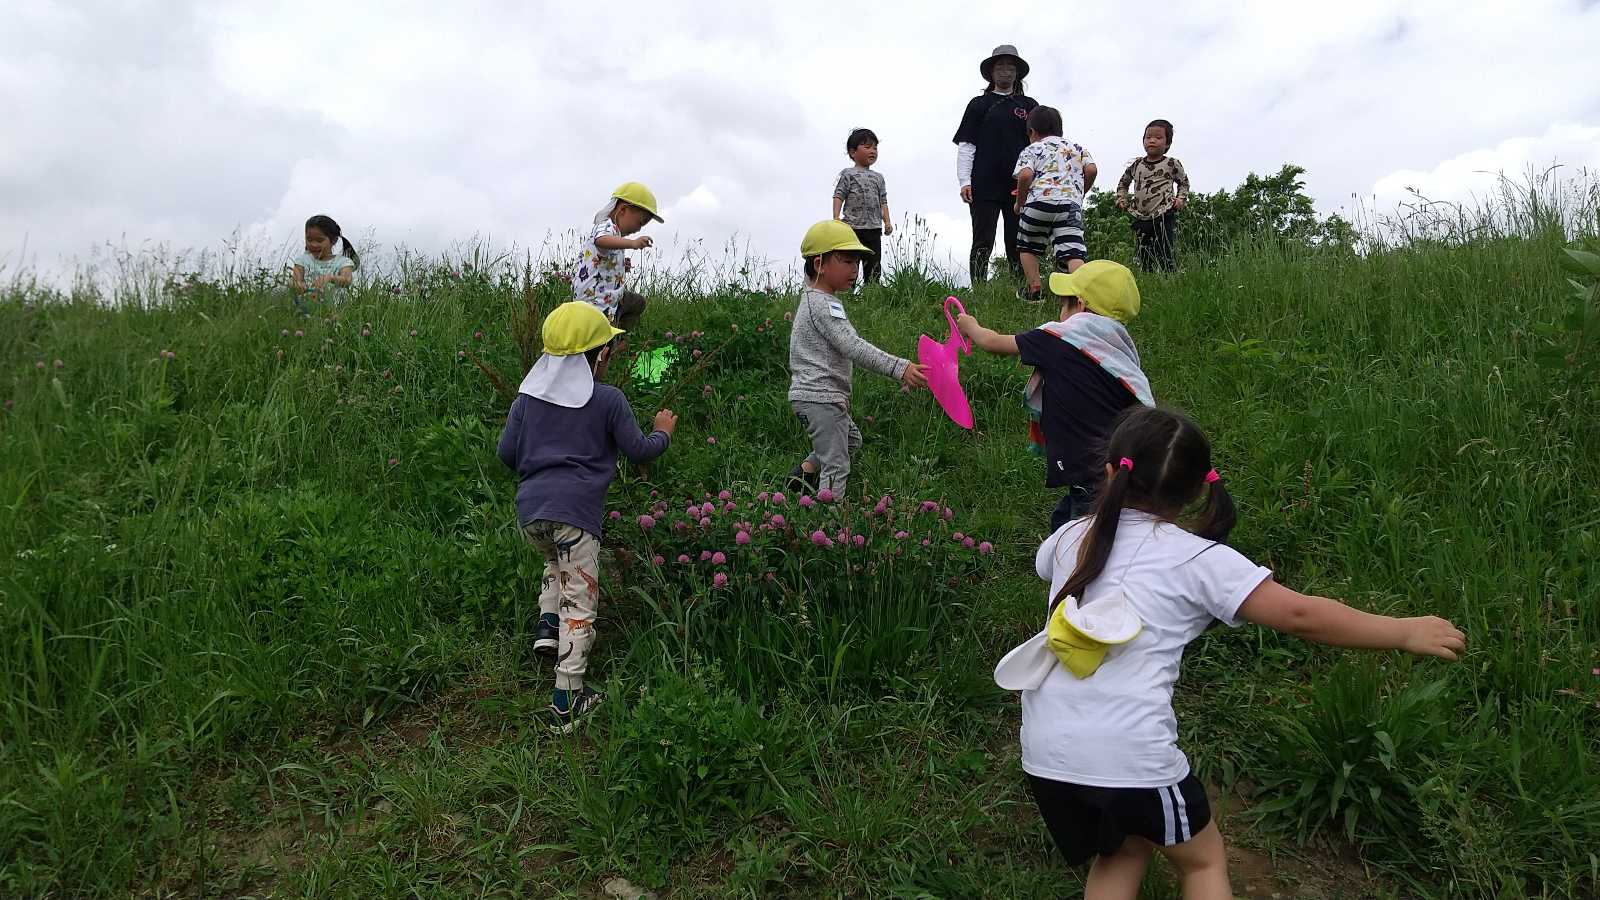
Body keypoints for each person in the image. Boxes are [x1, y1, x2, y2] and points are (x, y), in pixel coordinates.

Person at [1012, 405, 1466, 899]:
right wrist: (1401, 631)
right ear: (1195, 492)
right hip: (1129, 754)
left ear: (1108, 473)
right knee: (1203, 862)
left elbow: (1044, 563)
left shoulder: (1073, 537)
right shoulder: (1198, 558)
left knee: (1124, 848)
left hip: (1044, 751)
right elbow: (1300, 615)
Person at [497, 301, 677, 732]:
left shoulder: (527, 401)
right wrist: (663, 432)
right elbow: (639, 450)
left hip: (531, 514)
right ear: (601, 356)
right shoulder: (607, 400)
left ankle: (547, 627)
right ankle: (567, 699)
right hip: (576, 514)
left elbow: (506, 453)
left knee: (553, 562)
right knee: (580, 600)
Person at [956, 261, 1152, 532]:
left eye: (1063, 304)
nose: (1061, 312)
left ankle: (1081, 570)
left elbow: (993, 344)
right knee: (1073, 519)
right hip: (1123, 463)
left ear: (1080, 306)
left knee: (1083, 538)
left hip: (1087, 465)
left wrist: (971, 326)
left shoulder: (1061, 337)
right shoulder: (1119, 352)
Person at [787, 221, 928, 495]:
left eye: (858, 261)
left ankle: (802, 475)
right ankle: (826, 528)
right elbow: (853, 346)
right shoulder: (823, 304)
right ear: (819, 264)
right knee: (837, 465)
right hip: (821, 399)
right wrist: (900, 367)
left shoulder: (814, 300)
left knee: (851, 441)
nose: (855, 269)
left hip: (811, 396)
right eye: (848, 261)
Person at [953, 44, 1038, 285]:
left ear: (1017, 72)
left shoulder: (1029, 105)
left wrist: (1038, 179)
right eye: (1000, 66)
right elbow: (966, 145)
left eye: (1010, 66)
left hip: (1019, 185)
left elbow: (1039, 146)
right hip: (984, 183)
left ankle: (1022, 288)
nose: (1005, 71)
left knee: (1018, 239)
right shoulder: (978, 104)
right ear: (991, 72)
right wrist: (965, 181)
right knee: (982, 239)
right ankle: (979, 289)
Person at [573, 182, 662, 371]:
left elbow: (606, 254)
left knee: (637, 302)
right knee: (596, 353)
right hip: (595, 304)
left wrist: (621, 264)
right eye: (640, 222)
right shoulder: (607, 227)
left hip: (608, 299)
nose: (639, 229)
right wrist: (632, 243)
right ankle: (595, 374)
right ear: (622, 210)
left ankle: (618, 341)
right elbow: (601, 241)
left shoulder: (616, 235)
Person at [1013, 106, 1098, 301]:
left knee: (1027, 246)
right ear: (1060, 130)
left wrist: (1020, 203)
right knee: (1073, 249)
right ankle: (1080, 295)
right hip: (1070, 205)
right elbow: (1092, 170)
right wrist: (1080, 193)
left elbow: (1025, 175)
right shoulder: (1077, 148)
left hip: (1037, 204)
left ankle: (1034, 290)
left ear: (1032, 132)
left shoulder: (1032, 149)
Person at [1115, 119, 1190, 272]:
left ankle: (1169, 281)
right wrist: (1121, 199)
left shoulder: (1172, 164)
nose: (1152, 140)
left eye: (1158, 137)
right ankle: (1148, 279)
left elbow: (1184, 183)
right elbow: (1123, 183)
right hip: (1140, 215)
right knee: (1144, 255)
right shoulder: (1136, 165)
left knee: (1165, 253)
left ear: (1167, 143)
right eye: (1148, 137)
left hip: (1164, 213)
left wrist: (1180, 199)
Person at [832, 128, 893, 285]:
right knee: (849, 263)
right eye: (867, 147)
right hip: (852, 228)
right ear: (853, 152)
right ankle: (847, 292)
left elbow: (883, 201)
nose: (873, 151)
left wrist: (887, 221)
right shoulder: (848, 174)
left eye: (875, 147)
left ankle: (871, 293)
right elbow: (839, 195)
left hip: (874, 228)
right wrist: (836, 218)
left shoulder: (878, 177)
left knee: (873, 266)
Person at [290, 215, 359, 307]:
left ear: (333, 240)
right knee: (280, 290)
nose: (313, 244)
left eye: (319, 240)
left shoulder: (343, 262)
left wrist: (330, 278)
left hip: (331, 302)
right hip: (306, 301)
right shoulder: (302, 260)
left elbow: (347, 280)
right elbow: (295, 280)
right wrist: (298, 284)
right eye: (309, 240)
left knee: (342, 293)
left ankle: (335, 317)